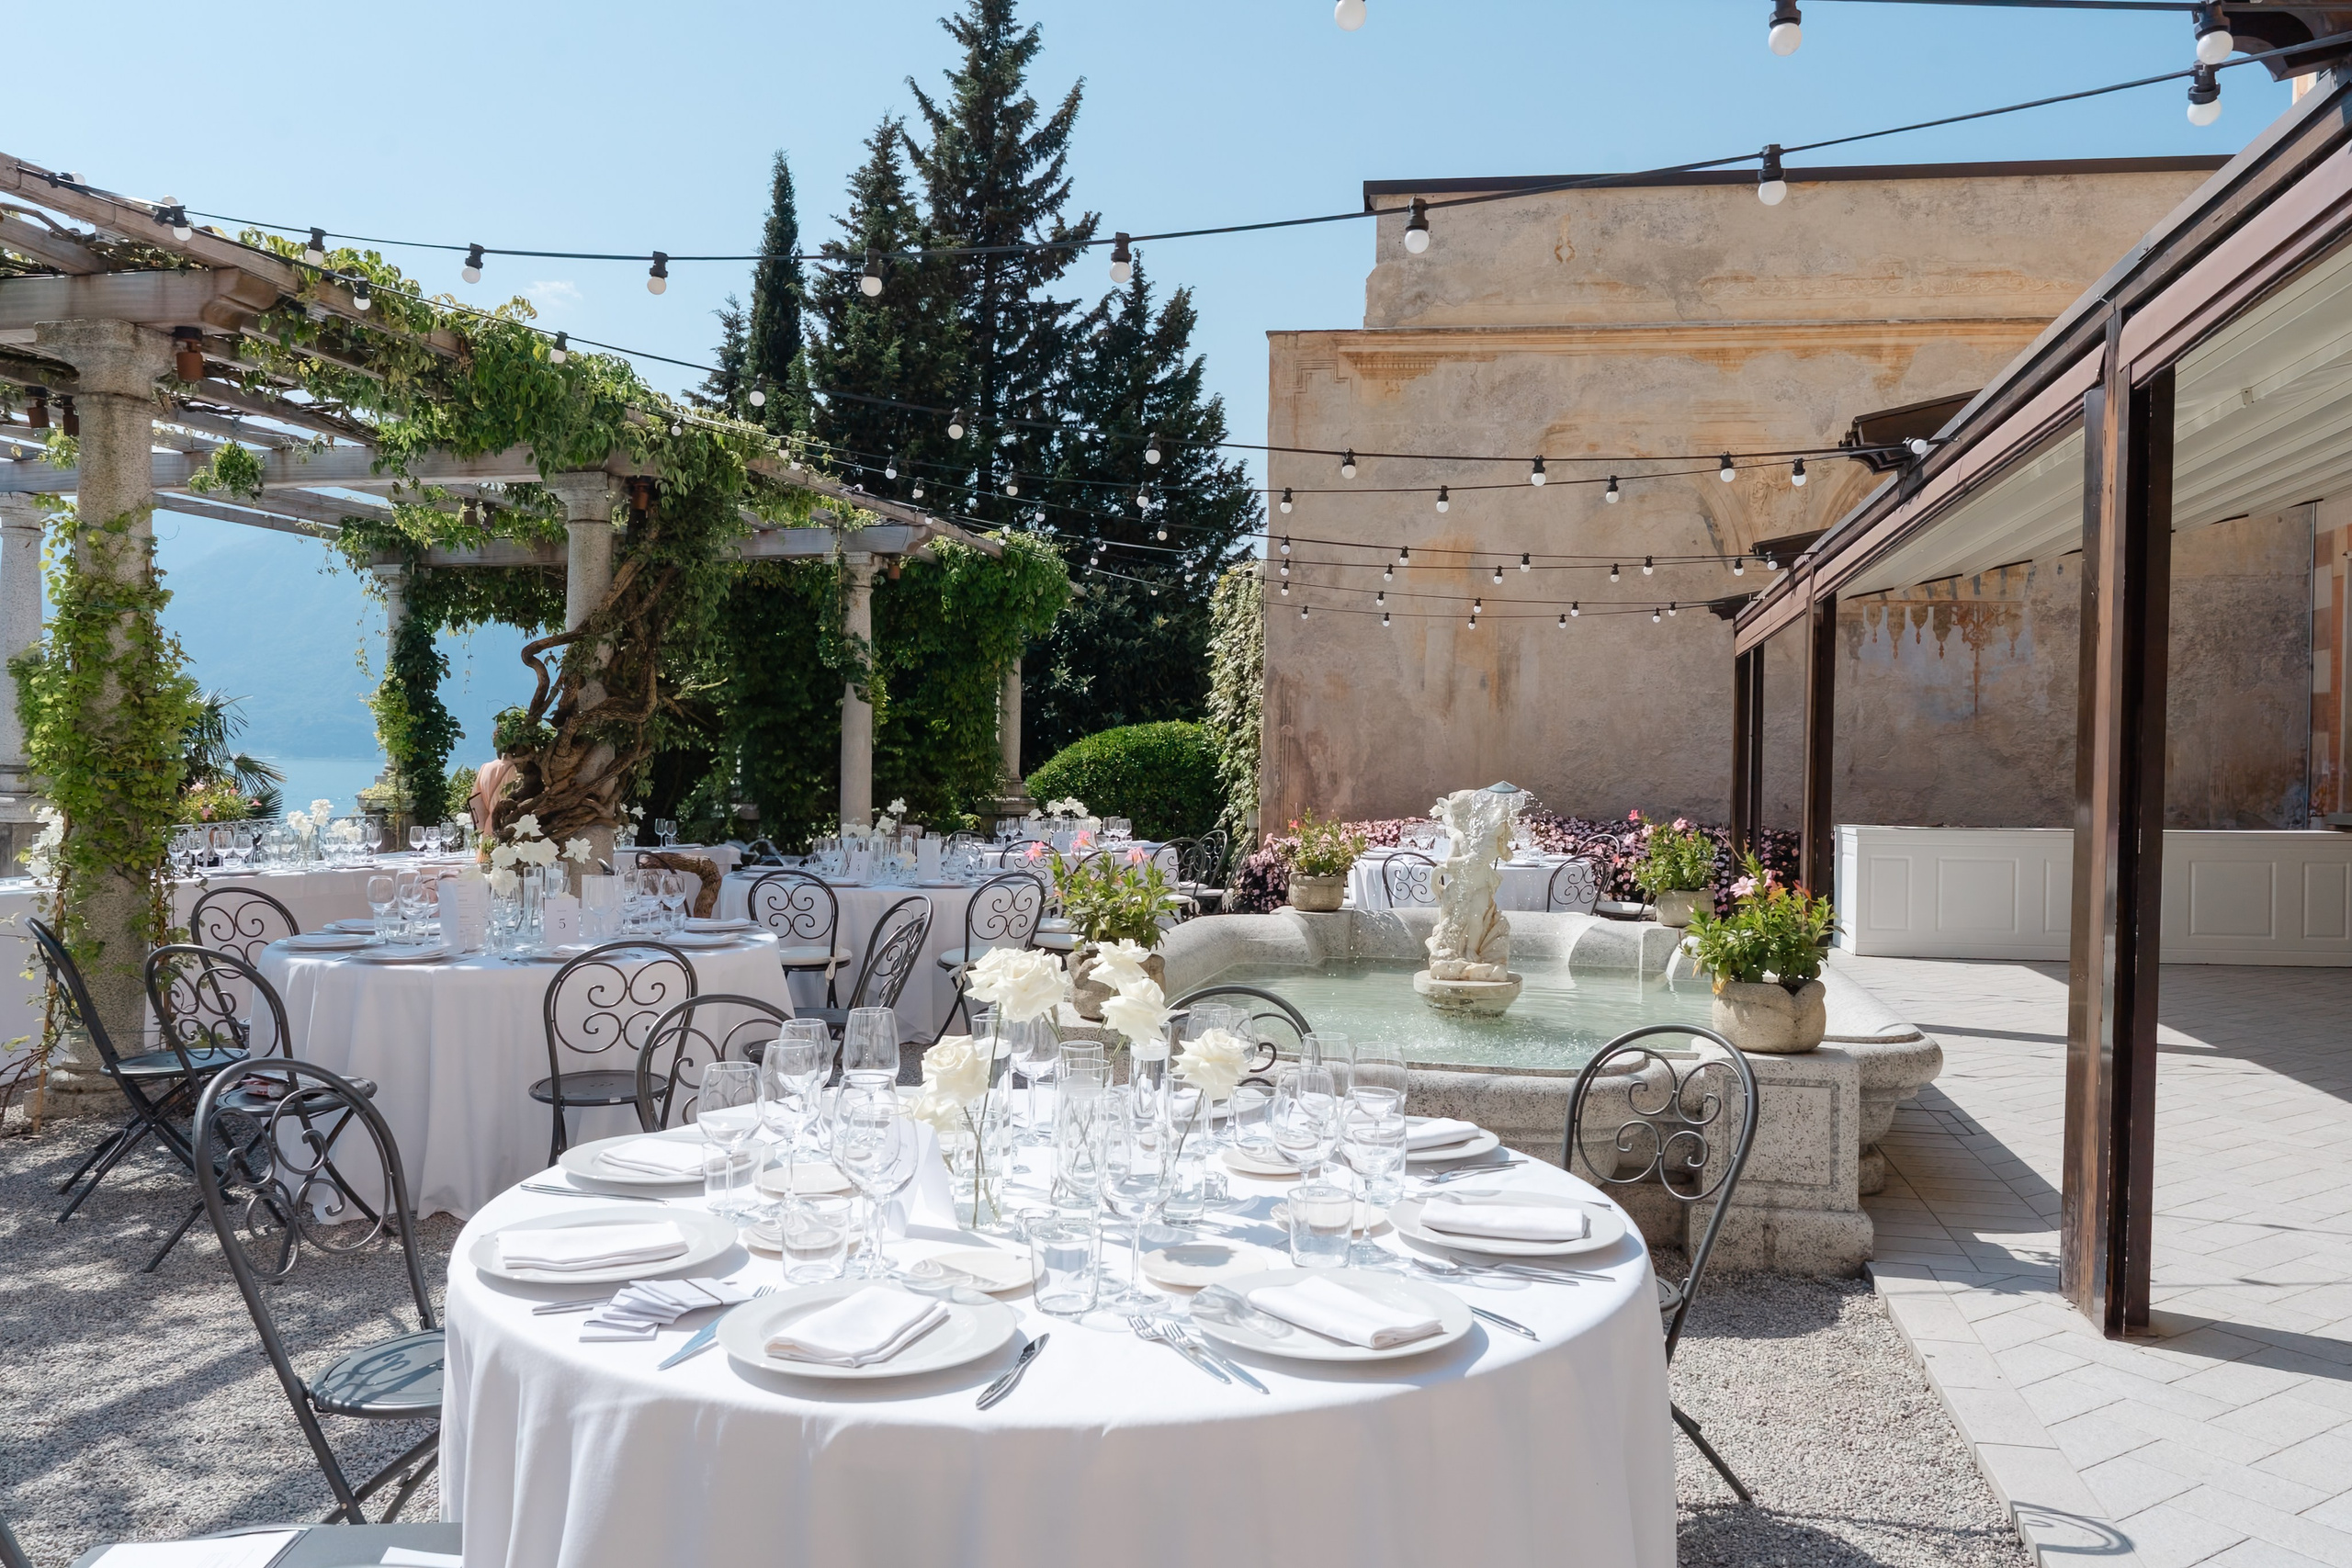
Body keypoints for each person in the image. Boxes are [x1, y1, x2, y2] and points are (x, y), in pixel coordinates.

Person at [468, 707, 535, 839]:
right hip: (517, 831)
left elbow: (475, 808)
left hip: (489, 831)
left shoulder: (485, 768)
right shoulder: (525, 770)